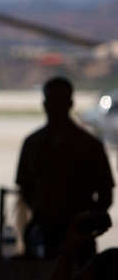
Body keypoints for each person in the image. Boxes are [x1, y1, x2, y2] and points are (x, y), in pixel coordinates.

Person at [16, 77, 113, 258]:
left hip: (51, 231)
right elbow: (105, 194)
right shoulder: (90, 144)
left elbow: (25, 188)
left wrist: (44, 213)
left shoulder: (33, 143)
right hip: (76, 234)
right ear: (71, 103)